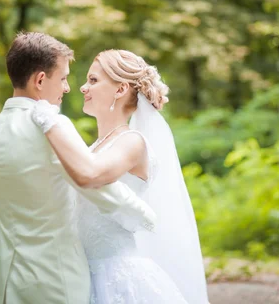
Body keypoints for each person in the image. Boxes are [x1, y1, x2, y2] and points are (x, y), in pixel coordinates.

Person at [0, 33, 156, 304]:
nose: (67, 88)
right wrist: (146, 216)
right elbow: (97, 188)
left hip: (6, 279)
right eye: (63, 78)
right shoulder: (52, 128)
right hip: (57, 279)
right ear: (40, 80)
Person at [31, 49, 209, 303]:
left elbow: (90, 175)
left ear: (120, 89)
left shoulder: (133, 143)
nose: (82, 87)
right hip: (78, 274)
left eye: (93, 80)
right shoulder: (94, 148)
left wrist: (49, 121)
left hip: (114, 278)